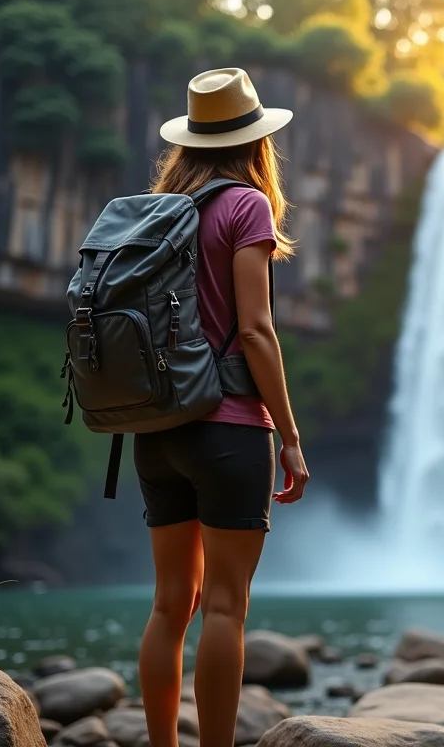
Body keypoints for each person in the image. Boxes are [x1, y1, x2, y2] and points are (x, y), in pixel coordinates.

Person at [135, 67, 310, 747]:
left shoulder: (157, 212)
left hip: (156, 429)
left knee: (168, 606)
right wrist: (290, 434)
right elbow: (256, 330)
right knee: (227, 609)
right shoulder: (247, 207)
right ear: (256, 144)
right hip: (230, 427)